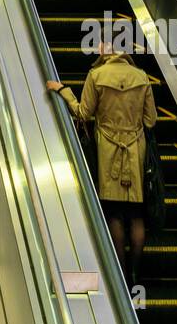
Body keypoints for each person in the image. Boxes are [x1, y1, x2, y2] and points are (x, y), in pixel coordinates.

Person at [47, 42, 157, 288]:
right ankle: (136, 275)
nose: (97, 47)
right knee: (137, 216)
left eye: (100, 44)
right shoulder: (141, 77)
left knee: (115, 214)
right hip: (135, 151)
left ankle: (119, 276)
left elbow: (83, 113)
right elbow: (150, 121)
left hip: (108, 150)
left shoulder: (96, 75)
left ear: (108, 49)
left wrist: (63, 90)